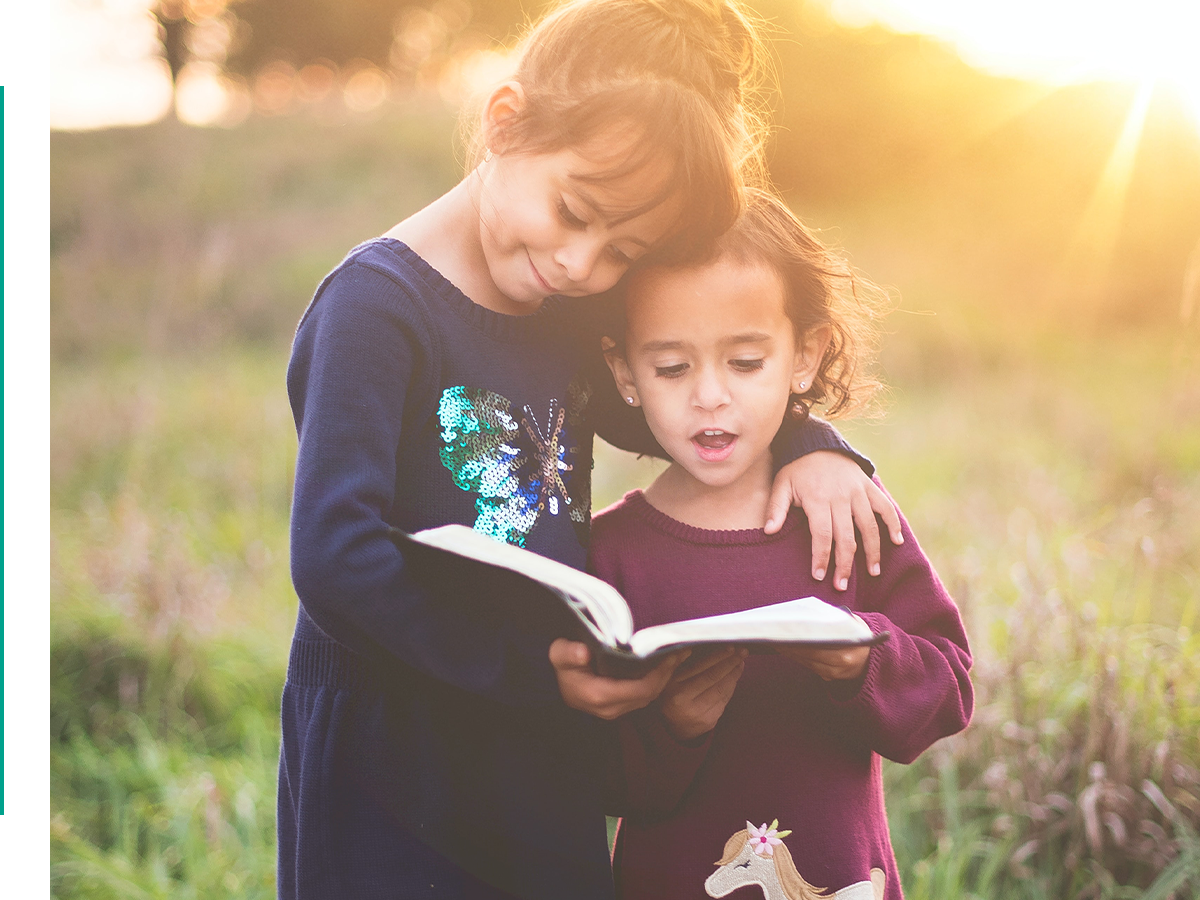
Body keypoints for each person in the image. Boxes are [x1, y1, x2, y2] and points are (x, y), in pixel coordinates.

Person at [277, 1, 902, 896]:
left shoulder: (561, 310)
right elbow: (335, 560)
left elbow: (679, 416)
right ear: (504, 122)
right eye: (575, 212)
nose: (581, 265)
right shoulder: (377, 309)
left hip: (541, 736)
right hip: (396, 743)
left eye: (623, 251)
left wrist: (812, 442)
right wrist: (532, 675)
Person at [592, 189, 974, 900]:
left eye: (744, 362)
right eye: (671, 368)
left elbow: (948, 691)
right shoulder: (610, 555)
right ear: (624, 373)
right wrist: (670, 727)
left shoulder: (847, 515)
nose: (709, 396)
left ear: (805, 355)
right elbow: (590, 777)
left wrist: (861, 658)